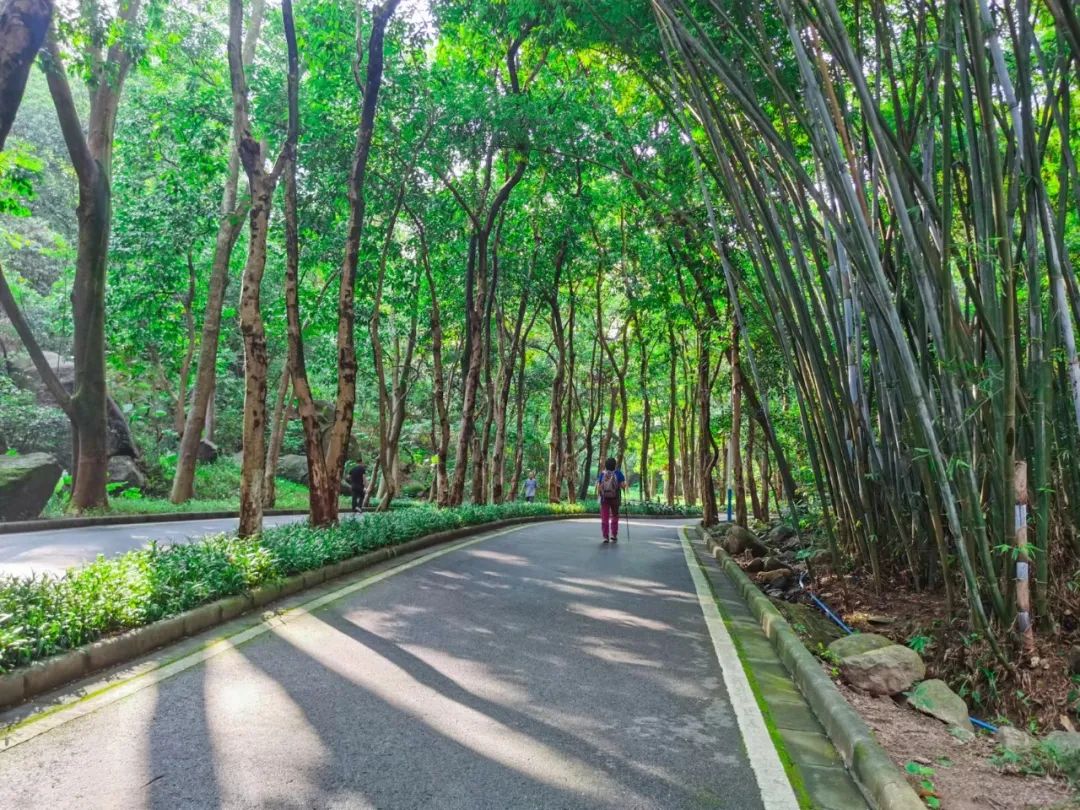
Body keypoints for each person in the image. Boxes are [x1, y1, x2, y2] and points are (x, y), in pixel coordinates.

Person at [595, 457, 627, 543]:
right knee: (615, 516)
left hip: (604, 498)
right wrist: (624, 486)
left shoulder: (602, 473)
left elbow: (599, 486)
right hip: (615, 498)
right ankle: (614, 535)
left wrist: (600, 495)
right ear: (615, 465)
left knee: (604, 517)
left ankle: (605, 536)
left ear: (606, 465)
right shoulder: (618, 473)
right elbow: (623, 485)